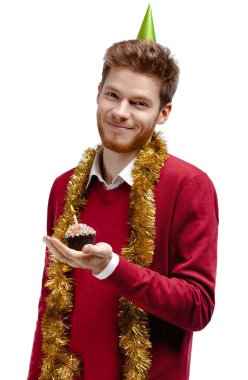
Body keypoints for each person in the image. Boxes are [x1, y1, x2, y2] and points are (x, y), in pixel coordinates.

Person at [27, 7, 218, 380]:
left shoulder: (189, 187)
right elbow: (50, 307)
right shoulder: (66, 187)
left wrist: (112, 268)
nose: (121, 112)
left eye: (140, 103)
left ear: (164, 113)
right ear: (98, 93)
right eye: (113, 95)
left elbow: (198, 307)